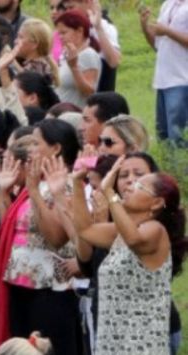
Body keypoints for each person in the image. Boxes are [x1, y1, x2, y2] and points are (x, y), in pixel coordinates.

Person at [71, 157, 187, 354]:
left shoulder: (155, 230)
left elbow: (134, 240)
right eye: (127, 180)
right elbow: (85, 229)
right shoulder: (121, 233)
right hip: (112, 342)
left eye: (140, 185)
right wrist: (77, 184)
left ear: (157, 203)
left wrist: (109, 194)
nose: (130, 186)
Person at [0, 119, 83, 353]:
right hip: (19, 281)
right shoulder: (37, 184)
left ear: (55, 149)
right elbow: (10, 231)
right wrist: (3, 191)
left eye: (37, 143)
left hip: (49, 287)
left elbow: (56, 237)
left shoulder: (66, 185)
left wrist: (33, 191)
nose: (31, 149)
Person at [139, 0, 188, 144]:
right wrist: (144, 26)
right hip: (163, 80)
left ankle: (181, 167)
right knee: (163, 135)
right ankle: (166, 167)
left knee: (178, 136)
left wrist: (167, 31)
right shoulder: (168, 4)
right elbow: (157, 45)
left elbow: (166, 33)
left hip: (182, 80)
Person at [54, 9, 102, 108]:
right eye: (59, 34)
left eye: (64, 33)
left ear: (80, 31)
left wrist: (74, 67)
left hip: (74, 116)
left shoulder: (88, 54)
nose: (61, 37)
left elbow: (89, 91)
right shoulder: (68, 55)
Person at [13, 18, 60, 85]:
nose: (15, 41)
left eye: (20, 37)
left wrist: (11, 62)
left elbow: (28, 84)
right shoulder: (44, 64)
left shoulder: (37, 68)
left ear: (34, 44)